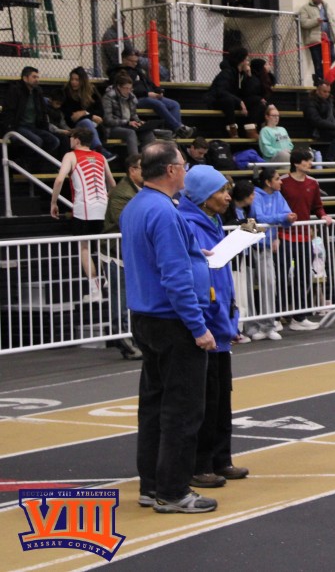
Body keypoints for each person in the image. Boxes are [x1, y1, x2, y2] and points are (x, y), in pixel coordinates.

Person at [119, 140, 217, 514]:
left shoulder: (137, 206)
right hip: (172, 320)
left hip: (146, 317)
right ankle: (174, 491)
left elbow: (155, 257)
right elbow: (174, 277)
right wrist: (198, 327)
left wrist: (194, 254)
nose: (186, 171)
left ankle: (152, 485)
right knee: (182, 409)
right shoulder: (164, 211)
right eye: (183, 165)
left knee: (154, 405)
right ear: (173, 170)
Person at [177, 165, 250, 490]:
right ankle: (200, 464)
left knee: (221, 399)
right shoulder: (190, 226)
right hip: (207, 325)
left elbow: (221, 277)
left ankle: (221, 458)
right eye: (221, 191)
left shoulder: (213, 222)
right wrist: (214, 320)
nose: (227, 196)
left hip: (221, 324)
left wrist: (230, 320)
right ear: (204, 197)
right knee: (204, 401)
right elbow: (202, 282)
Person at [50, 128, 116, 303]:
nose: (70, 140)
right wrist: (105, 198)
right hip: (103, 206)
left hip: (84, 208)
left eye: (71, 137)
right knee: (103, 247)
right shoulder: (100, 157)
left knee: (84, 247)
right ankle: (108, 281)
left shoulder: (70, 156)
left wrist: (54, 202)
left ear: (77, 140)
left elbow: (59, 179)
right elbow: (112, 184)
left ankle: (95, 291)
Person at [278, 148, 331, 331]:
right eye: (306, 160)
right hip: (284, 235)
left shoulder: (313, 183)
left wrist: (324, 216)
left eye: (310, 160)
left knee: (303, 277)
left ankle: (299, 317)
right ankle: (276, 316)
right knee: (281, 277)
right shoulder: (283, 182)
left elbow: (317, 206)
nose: (310, 163)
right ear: (296, 163)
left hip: (304, 237)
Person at [104, 153, 144, 359]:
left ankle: (135, 339)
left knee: (133, 299)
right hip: (116, 253)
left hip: (134, 253)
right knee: (120, 300)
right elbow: (125, 221)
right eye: (143, 168)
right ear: (132, 170)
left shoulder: (142, 190)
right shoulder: (121, 193)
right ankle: (124, 341)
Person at [247, 168, 295, 341]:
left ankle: (268, 326)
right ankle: (250, 327)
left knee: (269, 284)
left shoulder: (278, 195)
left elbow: (288, 214)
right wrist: (281, 218)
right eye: (277, 179)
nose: (281, 181)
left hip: (266, 246)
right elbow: (259, 217)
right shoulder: (256, 196)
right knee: (246, 288)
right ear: (268, 182)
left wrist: (281, 224)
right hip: (250, 246)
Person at [111, 48, 194, 138]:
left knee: (174, 104)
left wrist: (158, 90)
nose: (134, 63)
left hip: (148, 95)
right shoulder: (118, 72)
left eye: (136, 61)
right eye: (132, 61)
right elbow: (128, 90)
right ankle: (179, 128)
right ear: (124, 59)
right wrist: (147, 94)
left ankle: (175, 131)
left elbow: (149, 82)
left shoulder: (137, 70)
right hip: (135, 99)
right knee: (157, 103)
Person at [2, 66, 61, 159]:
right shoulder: (15, 90)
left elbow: (43, 112)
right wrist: (10, 128)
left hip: (33, 127)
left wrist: (45, 127)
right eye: (34, 77)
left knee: (54, 141)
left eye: (37, 77)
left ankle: (34, 163)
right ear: (25, 78)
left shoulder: (37, 92)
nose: (37, 79)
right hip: (18, 127)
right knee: (37, 141)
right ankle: (21, 162)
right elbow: (9, 111)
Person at [62, 67, 115, 161]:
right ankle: (100, 151)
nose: (73, 82)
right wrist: (91, 116)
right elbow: (71, 117)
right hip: (74, 125)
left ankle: (98, 152)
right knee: (86, 122)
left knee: (88, 122)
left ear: (83, 80)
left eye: (77, 80)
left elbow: (100, 113)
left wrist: (85, 113)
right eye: (72, 79)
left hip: (92, 124)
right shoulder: (66, 92)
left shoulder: (91, 91)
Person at [206, 47, 256, 139]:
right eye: (246, 60)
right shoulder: (227, 73)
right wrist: (239, 101)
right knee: (229, 100)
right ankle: (232, 128)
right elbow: (220, 91)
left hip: (234, 100)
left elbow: (249, 92)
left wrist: (249, 76)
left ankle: (250, 129)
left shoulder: (243, 74)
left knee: (256, 101)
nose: (248, 62)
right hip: (217, 100)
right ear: (242, 61)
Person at [103, 72, 154, 157]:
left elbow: (133, 115)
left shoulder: (131, 97)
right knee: (130, 133)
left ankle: (149, 159)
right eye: (126, 88)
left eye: (130, 88)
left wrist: (138, 122)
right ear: (118, 87)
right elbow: (108, 120)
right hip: (113, 127)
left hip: (128, 125)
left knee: (147, 133)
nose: (128, 91)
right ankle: (135, 160)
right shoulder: (108, 97)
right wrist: (127, 122)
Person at [298, 0, 335, 83]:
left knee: (333, 56)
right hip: (315, 40)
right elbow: (304, 23)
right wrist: (316, 21)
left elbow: (333, 21)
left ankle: (320, 77)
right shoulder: (305, 8)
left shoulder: (326, 6)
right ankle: (319, 81)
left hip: (329, 38)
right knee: (317, 62)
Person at [241, 58, 274, 131]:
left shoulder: (264, 78)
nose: (269, 66)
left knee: (271, 109)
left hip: (259, 103)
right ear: (260, 67)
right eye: (266, 65)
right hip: (252, 104)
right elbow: (249, 95)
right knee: (261, 107)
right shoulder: (253, 80)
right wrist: (260, 99)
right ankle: (253, 130)